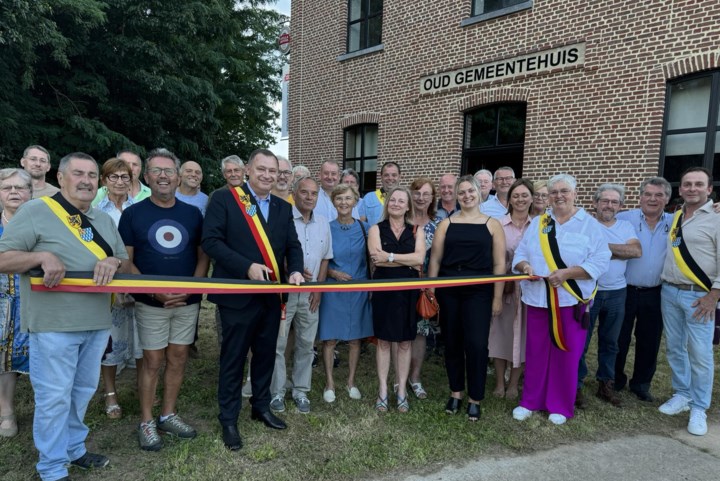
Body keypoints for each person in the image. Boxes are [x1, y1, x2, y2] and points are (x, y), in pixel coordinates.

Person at [0, 152, 129, 480]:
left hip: (98, 322)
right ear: (61, 178)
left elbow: (118, 256)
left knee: (83, 390)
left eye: (91, 174)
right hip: (53, 325)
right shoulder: (35, 211)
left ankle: (74, 448)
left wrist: (112, 263)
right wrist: (42, 255)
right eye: (78, 174)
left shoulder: (101, 219)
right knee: (54, 397)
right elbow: (3, 258)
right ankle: (52, 467)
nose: (86, 180)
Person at [202, 148, 304, 451]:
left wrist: (296, 270)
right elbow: (211, 241)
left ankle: (260, 407)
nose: (268, 176)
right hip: (237, 296)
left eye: (273, 172)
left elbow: (292, 246)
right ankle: (229, 419)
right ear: (248, 170)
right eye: (262, 170)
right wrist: (245, 266)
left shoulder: (284, 207)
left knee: (264, 355)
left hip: (271, 297)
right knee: (233, 358)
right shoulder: (225, 199)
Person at [119, 148, 209, 451]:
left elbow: (202, 256)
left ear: (178, 176)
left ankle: (168, 413)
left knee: (179, 357)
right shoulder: (132, 214)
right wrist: (152, 291)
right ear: (145, 176)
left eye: (168, 171)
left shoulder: (193, 213)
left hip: (186, 302)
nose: (163, 176)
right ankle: (146, 420)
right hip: (150, 302)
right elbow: (126, 262)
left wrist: (192, 290)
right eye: (156, 171)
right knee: (152, 361)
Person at [511, 174, 610, 425]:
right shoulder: (539, 223)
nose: (558, 196)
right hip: (538, 300)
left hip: (571, 301)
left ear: (575, 193)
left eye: (563, 191)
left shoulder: (590, 225)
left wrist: (568, 273)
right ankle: (530, 401)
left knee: (566, 353)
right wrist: (524, 267)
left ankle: (559, 404)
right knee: (536, 352)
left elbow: (600, 261)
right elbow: (521, 254)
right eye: (553, 192)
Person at [428, 175, 506, 421]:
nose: (466, 195)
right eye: (461, 192)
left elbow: (499, 263)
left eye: (470, 191)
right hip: (449, 290)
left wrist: (497, 297)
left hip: (479, 293)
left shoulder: (492, 225)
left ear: (479, 192)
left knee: (476, 345)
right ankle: (456, 392)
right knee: (452, 342)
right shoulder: (446, 224)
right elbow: (436, 259)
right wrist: (431, 289)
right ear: (456, 196)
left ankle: (475, 397)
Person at [658, 167, 719, 437]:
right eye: (687, 184)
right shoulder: (677, 216)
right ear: (680, 189)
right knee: (674, 348)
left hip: (700, 296)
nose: (692, 188)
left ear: (709, 190)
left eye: (698, 184)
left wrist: (713, 296)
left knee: (700, 353)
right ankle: (682, 393)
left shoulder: (717, 218)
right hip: (669, 291)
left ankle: (699, 407)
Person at [270, 177, 332, 414]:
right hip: (285, 291)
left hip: (310, 293)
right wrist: (289, 267)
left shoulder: (324, 223)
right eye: (304, 192)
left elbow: (326, 257)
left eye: (313, 193)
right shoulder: (283, 219)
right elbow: (276, 253)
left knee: (306, 344)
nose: (309, 197)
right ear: (294, 194)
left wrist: (319, 288)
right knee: (279, 343)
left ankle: (301, 391)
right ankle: (277, 393)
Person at [577, 184, 641, 408]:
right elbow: (580, 253)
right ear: (595, 203)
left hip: (617, 293)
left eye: (614, 202)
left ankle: (606, 385)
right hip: (588, 292)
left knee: (611, 342)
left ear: (621, 206)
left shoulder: (625, 226)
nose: (609, 205)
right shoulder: (585, 224)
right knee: (581, 342)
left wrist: (600, 249)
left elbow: (635, 251)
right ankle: (576, 386)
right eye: (605, 200)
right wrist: (616, 251)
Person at [614, 177, 673, 402]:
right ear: (640, 196)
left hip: (656, 292)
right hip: (625, 290)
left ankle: (640, 384)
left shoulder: (675, 221)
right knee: (619, 337)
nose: (652, 199)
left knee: (650, 339)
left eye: (659, 195)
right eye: (648, 194)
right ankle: (615, 379)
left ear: (667, 199)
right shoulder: (623, 218)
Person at [368, 186, 425, 413]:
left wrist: (390, 256)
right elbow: (376, 259)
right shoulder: (376, 229)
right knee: (383, 341)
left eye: (402, 201)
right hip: (384, 291)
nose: (397, 203)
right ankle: (382, 390)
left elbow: (419, 259)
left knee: (404, 342)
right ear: (387, 203)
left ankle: (401, 390)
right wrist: (405, 260)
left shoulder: (416, 231)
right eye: (393, 200)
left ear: (408, 206)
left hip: (408, 293)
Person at [318, 184, 372, 403]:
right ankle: (330, 383)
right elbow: (319, 259)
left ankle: (351, 382)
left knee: (355, 339)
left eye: (348, 198)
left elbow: (372, 259)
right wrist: (332, 272)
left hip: (358, 288)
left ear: (355, 201)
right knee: (329, 338)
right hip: (333, 288)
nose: (343, 203)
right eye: (339, 198)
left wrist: (371, 288)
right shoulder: (325, 227)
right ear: (334, 201)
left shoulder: (365, 228)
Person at [95, 158, 137, 420]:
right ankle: (110, 392)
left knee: (142, 339)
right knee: (110, 340)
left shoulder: (140, 209)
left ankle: (143, 386)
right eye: (114, 177)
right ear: (104, 180)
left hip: (140, 280)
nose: (120, 182)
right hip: (110, 286)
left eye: (125, 177)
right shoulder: (96, 212)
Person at [488, 178, 534, 399]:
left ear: (532, 198)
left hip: (530, 291)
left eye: (525, 195)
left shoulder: (540, 225)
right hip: (504, 288)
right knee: (501, 334)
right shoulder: (497, 224)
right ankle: (499, 381)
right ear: (509, 198)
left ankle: (514, 383)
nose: (520, 199)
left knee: (523, 336)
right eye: (516, 195)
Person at [0, 168, 32, 438]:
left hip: (38, 301)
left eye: (20, 188)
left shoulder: (43, 223)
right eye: (7, 188)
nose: (13, 192)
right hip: (2, 305)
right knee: (2, 358)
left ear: (30, 193)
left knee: (45, 357)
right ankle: (7, 412)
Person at [407, 177, 440, 399]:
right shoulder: (400, 221)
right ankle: (399, 378)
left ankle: (415, 378)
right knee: (399, 333)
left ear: (431, 198)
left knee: (420, 333)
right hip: (399, 284)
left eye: (425, 194)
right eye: (417, 193)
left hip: (424, 287)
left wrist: (432, 286)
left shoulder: (437, 226)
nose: (420, 198)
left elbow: (438, 259)